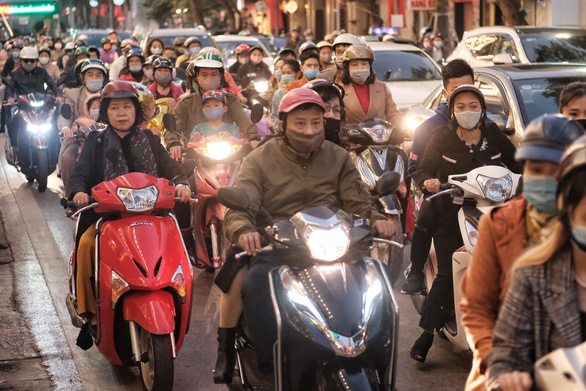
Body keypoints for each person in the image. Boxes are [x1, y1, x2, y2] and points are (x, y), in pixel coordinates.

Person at [214, 88, 396, 383]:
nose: (309, 130)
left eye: (316, 123)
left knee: (380, 278)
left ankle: (376, 353)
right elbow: (242, 203)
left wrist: (376, 218)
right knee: (252, 283)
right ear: (282, 124)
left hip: (335, 245)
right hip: (279, 247)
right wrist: (245, 230)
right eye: (300, 123)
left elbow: (357, 201)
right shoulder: (259, 160)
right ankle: (257, 359)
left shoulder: (338, 157)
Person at [460, 115, 585, 391]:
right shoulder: (499, 224)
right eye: (533, 169)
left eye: (551, 171)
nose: (539, 179)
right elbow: (477, 308)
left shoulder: (579, 225)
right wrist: (497, 363)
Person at [408, 85, 521, 364]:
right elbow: (423, 168)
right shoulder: (442, 136)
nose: (467, 112)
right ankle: (427, 333)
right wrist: (428, 181)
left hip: (493, 212)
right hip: (450, 211)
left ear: (482, 109)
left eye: (473, 106)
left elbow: (518, 164)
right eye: (460, 107)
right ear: (452, 111)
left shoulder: (493, 134)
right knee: (448, 273)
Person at [69, 81, 191, 327]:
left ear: (136, 111)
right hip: (108, 214)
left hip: (152, 213)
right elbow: (80, 173)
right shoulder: (96, 140)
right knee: (85, 244)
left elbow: (171, 168)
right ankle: (87, 309)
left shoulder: (150, 139)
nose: (121, 113)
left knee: (177, 248)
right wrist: (79, 191)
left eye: (127, 106)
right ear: (106, 112)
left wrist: (181, 182)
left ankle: (177, 296)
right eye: (114, 108)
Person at [165, 52, 260, 160]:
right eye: (204, 74)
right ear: (197, 76)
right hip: (195, 157)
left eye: (214, 74)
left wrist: (254, 138)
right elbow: (172, 129)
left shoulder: (230, 100)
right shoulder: (186, 103)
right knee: (182, 174)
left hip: (230, 156)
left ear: (221, 76)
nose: (209, 78)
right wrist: (173, 143)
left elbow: (243, 120)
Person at [407, 59, 474, 179]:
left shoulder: (487, 126)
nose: (462, 94)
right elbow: (415, 169)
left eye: (468, 88)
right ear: (444, 93)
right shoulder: (427, 129)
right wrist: (432, 184)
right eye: (455, 90)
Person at [340, 44, 406, 128]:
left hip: (380, 138)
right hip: (350, 139)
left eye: (364, 64)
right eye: (354, 65)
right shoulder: (339, 90)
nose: (360, 68)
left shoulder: (382, 87)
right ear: (347, 68)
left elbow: (394, 115)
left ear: (370, 66)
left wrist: (404, 129)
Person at [304, 78, 345, 145]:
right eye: (325, 109)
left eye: (337, 110)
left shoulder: (345, 152)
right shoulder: (296, 149)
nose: (332, 115)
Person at [271, 59, 301, 130]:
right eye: (283, 73)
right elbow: (275, 116)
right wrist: (279, 129)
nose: (285, 76)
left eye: (288, 73)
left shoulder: (304, 89)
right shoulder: (279, 93)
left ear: (297, 74)